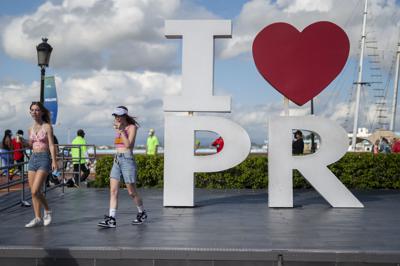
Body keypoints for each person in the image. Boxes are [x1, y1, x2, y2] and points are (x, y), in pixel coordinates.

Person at [98, 106, 147, 228]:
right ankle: (112, 219)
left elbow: (128, 145)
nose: (117, 118)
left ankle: (142, 213)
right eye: (115, 115)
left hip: (127, 159)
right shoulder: (118, 127)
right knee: (113, 191)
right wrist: (119, 130)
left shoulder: (132, 128)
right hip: (117, 159)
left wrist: (121, 131)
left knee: (131, 192)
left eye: (119, 115)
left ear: (125, 115)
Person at [25, 102, 58, 228]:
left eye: (37, 110)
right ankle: (38, 217)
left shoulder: (47, 127)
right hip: (33, 158)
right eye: (32, 110)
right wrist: (23, 142)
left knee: (35, 190)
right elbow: (30, 144)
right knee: (33, 192)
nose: (34, 112)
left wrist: (54, 161)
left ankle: (48, 210)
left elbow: (51, 144)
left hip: (44, 158)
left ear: (42, 112)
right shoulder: (30, 129)